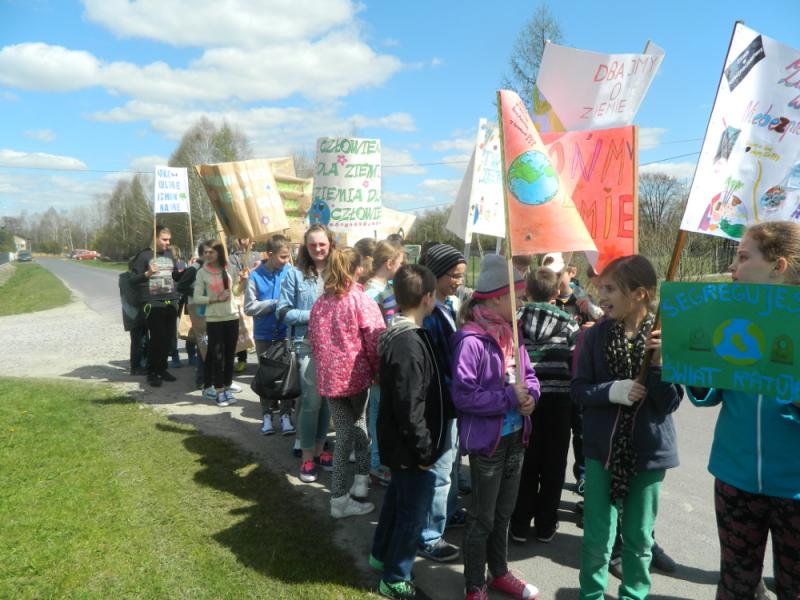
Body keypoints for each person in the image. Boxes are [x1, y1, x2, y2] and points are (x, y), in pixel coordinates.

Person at [687, 221, 800, 600]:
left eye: (743, 257)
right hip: (735, 477)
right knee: (736, 585)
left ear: (778, 266)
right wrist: (687, 364)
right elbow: (709, 392)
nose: (733, 268)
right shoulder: (728, 317)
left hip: (795, 487)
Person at [571, 255, 682, 600]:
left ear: (639, 294)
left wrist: (659, 366)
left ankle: (633, 594)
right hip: (601, 452)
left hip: (648, 454)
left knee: (638, 538)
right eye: (600, 288)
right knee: (597, 537)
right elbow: (579, 389)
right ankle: (591, 594)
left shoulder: (665, 338)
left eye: (610, 289)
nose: (601, 296)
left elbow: (669, 403)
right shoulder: (595, 336)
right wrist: (612, 391)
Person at [450, 254, 541, 600]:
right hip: (488, 444)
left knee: (504, 513)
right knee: (482, 518)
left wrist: (531, 397)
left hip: (517, 436)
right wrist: (508, 397)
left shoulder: (514, 333)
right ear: (498, 297)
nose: (523, 303)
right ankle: (475, 584)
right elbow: (463, 395)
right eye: (518, 297)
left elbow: (529, 376)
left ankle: (499, 572)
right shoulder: (470, 340)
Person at [369, 264, 448, 599]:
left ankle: (380, 554)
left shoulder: (407, 335)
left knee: (396, 503)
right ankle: (395, 577)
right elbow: (409, 406)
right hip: (410, 447)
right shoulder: (407, 344)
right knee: (412, 514)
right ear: (428, 297)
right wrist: (425, 449)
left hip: (403, 444)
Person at [308, 247, 385, 518]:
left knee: (349, 430)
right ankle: (341, 496)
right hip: (355, 377)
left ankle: (358, 483)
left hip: (331, 379)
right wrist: (378, 370)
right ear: (358, 269)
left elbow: (313, 339)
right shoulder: (360, 300)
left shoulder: (321, 303)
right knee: (354, 430)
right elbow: (375, 340)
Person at [510, 267, 579, 544]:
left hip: (526, 399)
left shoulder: (515, 320)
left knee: (526, 463)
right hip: (560, 402)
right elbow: (575, 363)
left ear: (527, 290)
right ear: (557, 292)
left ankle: (519, 523)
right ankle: (546, 524)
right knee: (554, 464)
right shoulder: (569, 323)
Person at [417, 243, 467, 562]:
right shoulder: (431, 315)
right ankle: (429, 535)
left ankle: (447, 510)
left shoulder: (445, 307)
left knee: (450, 464)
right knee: (440, 470)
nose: (458, 282)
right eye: (454, 275)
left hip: (451, 398)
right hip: (440, 401)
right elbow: (438, 362)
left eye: (461, 276)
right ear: (435, 275)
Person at [277, 224, 335, 480]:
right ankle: (307, 457)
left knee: (327, 403)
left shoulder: (337, 272)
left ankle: (321, 449)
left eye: (322, 244)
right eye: (313, 244)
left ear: (330, 244)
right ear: (305, 246)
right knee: (311, 402)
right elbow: (283, 312)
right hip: (306, 343)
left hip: (334, 346)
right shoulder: (295, 274)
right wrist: (314, 314)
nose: (318, 249)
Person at [243, 234, 295, 436]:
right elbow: (249, 307)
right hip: (264, 334)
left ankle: (285, 415)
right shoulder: (255, 276)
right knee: (266, 375)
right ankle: (266, 415)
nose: (286, 261)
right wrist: (274, 304)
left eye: (288, 256)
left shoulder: (290, 272)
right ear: (270, 254)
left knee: (287, 375)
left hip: (285, 332)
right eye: (282, 257)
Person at [365, 239, 405, 486]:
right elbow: (371, 332)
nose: (401, 267)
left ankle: (378, 460)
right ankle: (377, 463)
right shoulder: (372, 293)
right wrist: (377, 365)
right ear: (390, 263)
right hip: (380, 361)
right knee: (380, 414)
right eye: (399, 263)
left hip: (385, 358)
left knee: (380, 412)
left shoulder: (383, 288)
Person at [128, 225, 182, 387]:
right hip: (153, 302)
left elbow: (175, 276)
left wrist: (185, 270)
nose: (168, 243)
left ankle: (162, 368)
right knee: (157, 338)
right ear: (155, 237)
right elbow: (132, 280)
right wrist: (148, 273)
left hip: (171, 300)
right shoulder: (143, 256)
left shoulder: (169, 255)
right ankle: (152, 372)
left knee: (168, 339)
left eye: (169, 239)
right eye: (164, 239)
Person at [193, 240, 241, 408]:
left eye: (211, 252)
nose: (207, 255)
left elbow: (235, 291)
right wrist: (215, 298)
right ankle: (219, 390)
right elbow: (197, 298)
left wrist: (243, 283)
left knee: (230, 355)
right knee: (217, 356)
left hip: (232, 316)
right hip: (214, 319)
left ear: (219, 252)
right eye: (205, 252)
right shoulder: (202, 272)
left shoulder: (230, 268)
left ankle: (227, 387)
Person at [229, 238, 262, 373]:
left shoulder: (257, 255)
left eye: (246, 236)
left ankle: (261, 359)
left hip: (257, 294)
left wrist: (257, 268)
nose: (244, 239)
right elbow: (236, 275)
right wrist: (250, 271)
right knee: (241, 327)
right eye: (241, 236)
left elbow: (262, 272)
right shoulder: (233, 257)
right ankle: (242, 359)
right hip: (241, 294)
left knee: (256, 326)